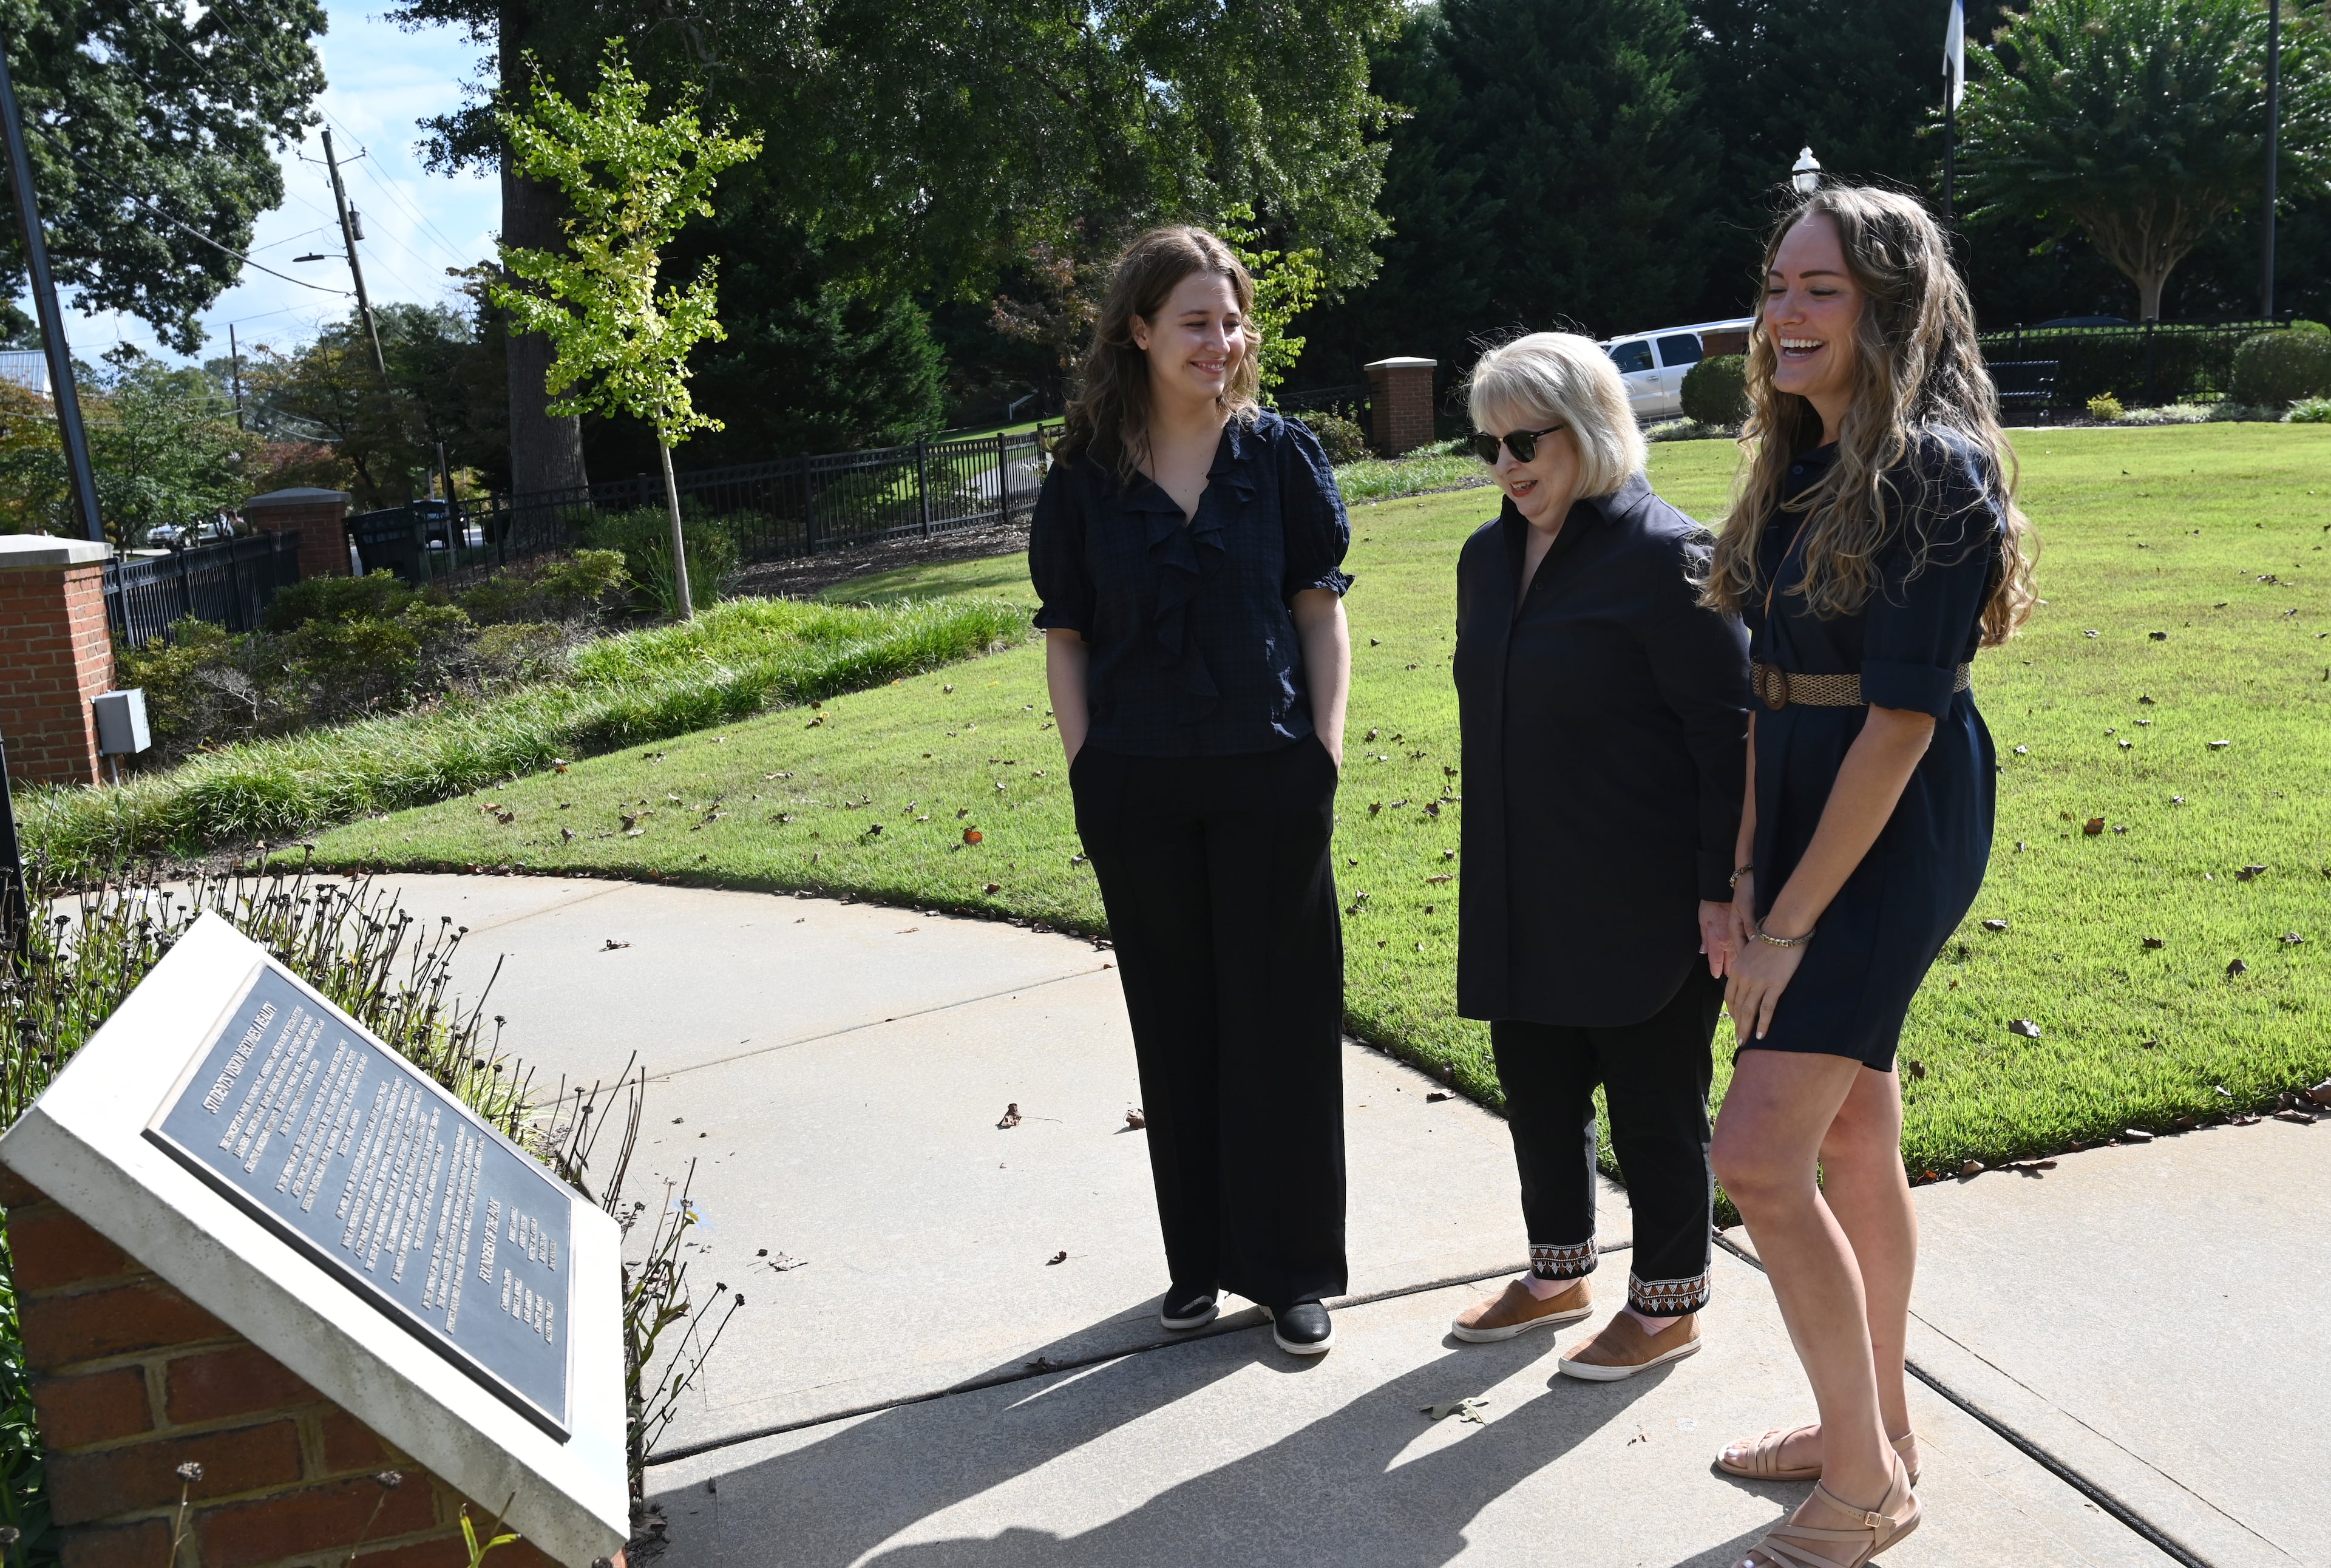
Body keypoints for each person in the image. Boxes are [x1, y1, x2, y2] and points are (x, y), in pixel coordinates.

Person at [1703, 185, 2037, 1568]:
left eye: (1820, 288)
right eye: (1778, 285)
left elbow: (1896, 724)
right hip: (1798, 806)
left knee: (1759, 1154)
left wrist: (1788, 922)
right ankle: (1876, 1425)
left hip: (1892, 826)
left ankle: (1865, 1485)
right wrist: (1737, 875)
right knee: (1849, 1138)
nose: (1785, 312)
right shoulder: (1798, 454)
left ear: (1888, 305)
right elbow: (1769, 694)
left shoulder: (1936, 473)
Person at [1028, 226, 1354, 1357]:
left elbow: (1319, 609)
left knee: (1283, 1019)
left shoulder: (1280, 455)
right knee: (1176, 1023)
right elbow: (1066, 639)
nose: (1220, 342)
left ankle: (1292, 1267)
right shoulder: (1083, 479)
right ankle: (1198, 1262)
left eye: (1231, 321)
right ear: (1138, 330)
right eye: (1195, 323)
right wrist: (1088, 767)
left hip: (1269, 772)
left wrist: (1323, 747)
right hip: (1138, 785)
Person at [1446, 333, 1751, 1379]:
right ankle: (1558, 1272)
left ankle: (1669, 1303)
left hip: (1644, 892)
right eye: (1487, 445)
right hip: (1519, 880)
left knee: (1653, 1103)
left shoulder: (1668, 555)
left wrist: (1721, 894)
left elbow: (1730, 738)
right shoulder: (1486, 558)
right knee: (1537, 1087)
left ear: (1587, 428)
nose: (1505, 467)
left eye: (1524, 441)